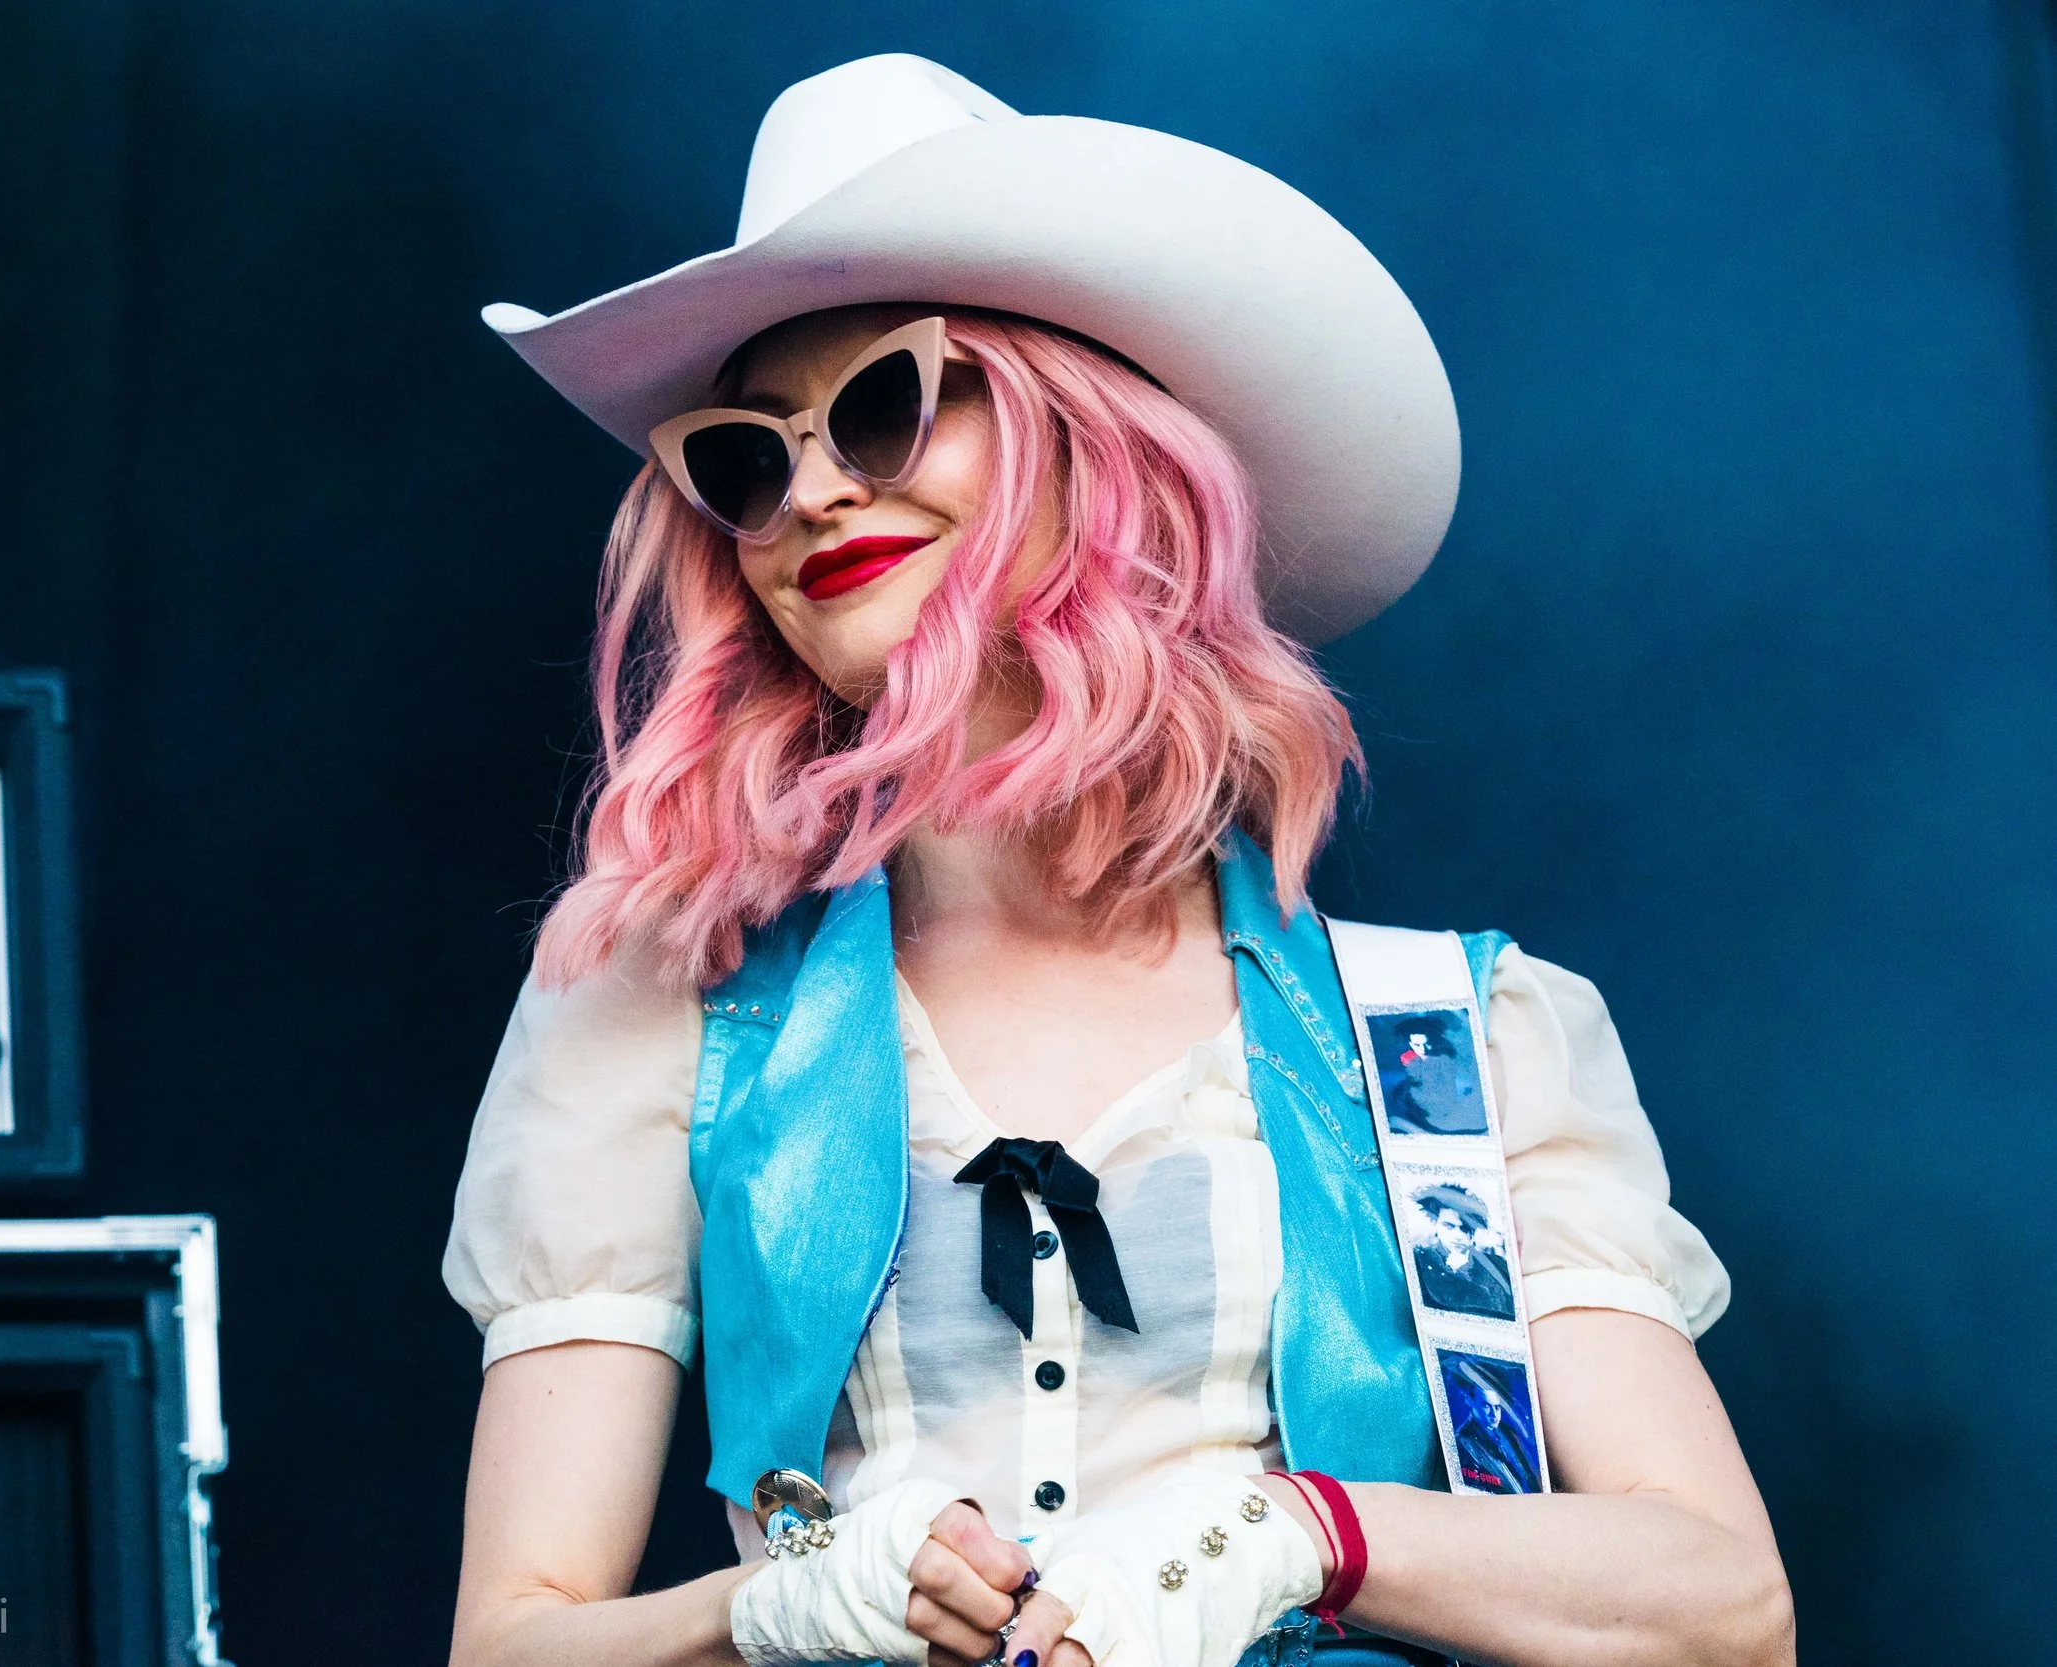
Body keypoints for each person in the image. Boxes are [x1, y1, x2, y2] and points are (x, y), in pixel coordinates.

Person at [443, 53, 1792, 1667]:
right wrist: (780, 1603)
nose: (811, 490)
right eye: (745, 456)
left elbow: (1728, 1608)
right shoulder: (669, 1014)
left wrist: (1293, 1532)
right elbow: (508, 1641)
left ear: (1092, 446)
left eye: (885, 401)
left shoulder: (1451, 1046)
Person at [1406, 1184, 1516, 1323]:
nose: (1458, 1236)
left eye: (1465, 1228)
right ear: (1436, 1224)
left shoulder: (1498, 1264)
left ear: (1473, 1231)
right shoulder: (1420, 1260)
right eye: (1449, 1226)